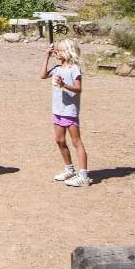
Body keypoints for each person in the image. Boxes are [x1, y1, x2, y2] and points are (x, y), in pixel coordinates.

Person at [40, 39, 91, 187]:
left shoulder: (74, 69)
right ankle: (69, 169)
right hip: (58, 111)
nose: (57, 52)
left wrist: (64, 85)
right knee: (59, 140)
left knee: (76, 142)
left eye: (60, 50)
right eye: (57, 50)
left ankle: (83, 176)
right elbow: (42, 75)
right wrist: (46, 56)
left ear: (69, 52)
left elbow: (78, 89)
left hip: (70, 112)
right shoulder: (57, 68)